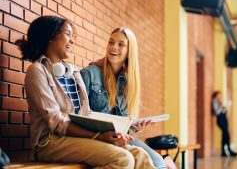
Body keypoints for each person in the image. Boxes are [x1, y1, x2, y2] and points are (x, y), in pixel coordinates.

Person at [16, 15, 155, 169]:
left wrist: (112, 134)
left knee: (141, 156)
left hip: (76, 138)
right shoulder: (37, 71)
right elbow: (56, 121)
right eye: (68, 34)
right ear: (50, 37)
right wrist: (99, 136)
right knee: (122, 159)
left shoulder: (73, 71)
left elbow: (86, 113)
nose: (72, 40)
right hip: (49, 142)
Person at [80, 27, 167, 169]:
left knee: (159, 162)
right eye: (111, 42)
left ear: (129, 51)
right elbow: (77, 115)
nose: (114, 47)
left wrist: (135, 126)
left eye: (121, 44)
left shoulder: (128, 82)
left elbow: (123, 122)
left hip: (120, 138)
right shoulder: (89, 74)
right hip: (97, 137)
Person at [212, 91, 237, 157]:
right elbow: (217, 112)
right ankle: (228, 150)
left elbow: (223, 110)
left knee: (225, 135)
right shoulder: (215, 101)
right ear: (216, 96)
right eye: (219, 95)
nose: (220, 97)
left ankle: (224, 151)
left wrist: (225, 108)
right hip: (220, 119)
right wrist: (221, 106)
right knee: (226, 134)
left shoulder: (219, 102)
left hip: (223, 118)